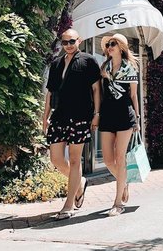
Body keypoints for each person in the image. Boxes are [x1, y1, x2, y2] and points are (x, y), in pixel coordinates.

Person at [43, 29, 101, 220]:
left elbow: (96, 89)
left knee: (76, 160)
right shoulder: (57, 63)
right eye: (65, 41)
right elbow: (50, 92)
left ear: (79, 40)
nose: (68, 44)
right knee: (56, 159)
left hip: (80, 115)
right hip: (59, 116)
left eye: (72, 41)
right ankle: (80, 182)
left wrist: (96, 114)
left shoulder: (88, 61)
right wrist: (45, 117)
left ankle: (68, 205)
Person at [99, 33, 140, 217]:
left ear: (121, 47)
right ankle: (123, 183)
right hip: (107, 115)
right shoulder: (104, 68)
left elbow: (133, 96)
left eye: (113, 43)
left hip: (125, 115)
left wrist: (137, 119)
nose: (109, 46)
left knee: (120, 157)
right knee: (108, 160)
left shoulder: (129, 68)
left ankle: (117, 203)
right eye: (108, 44)